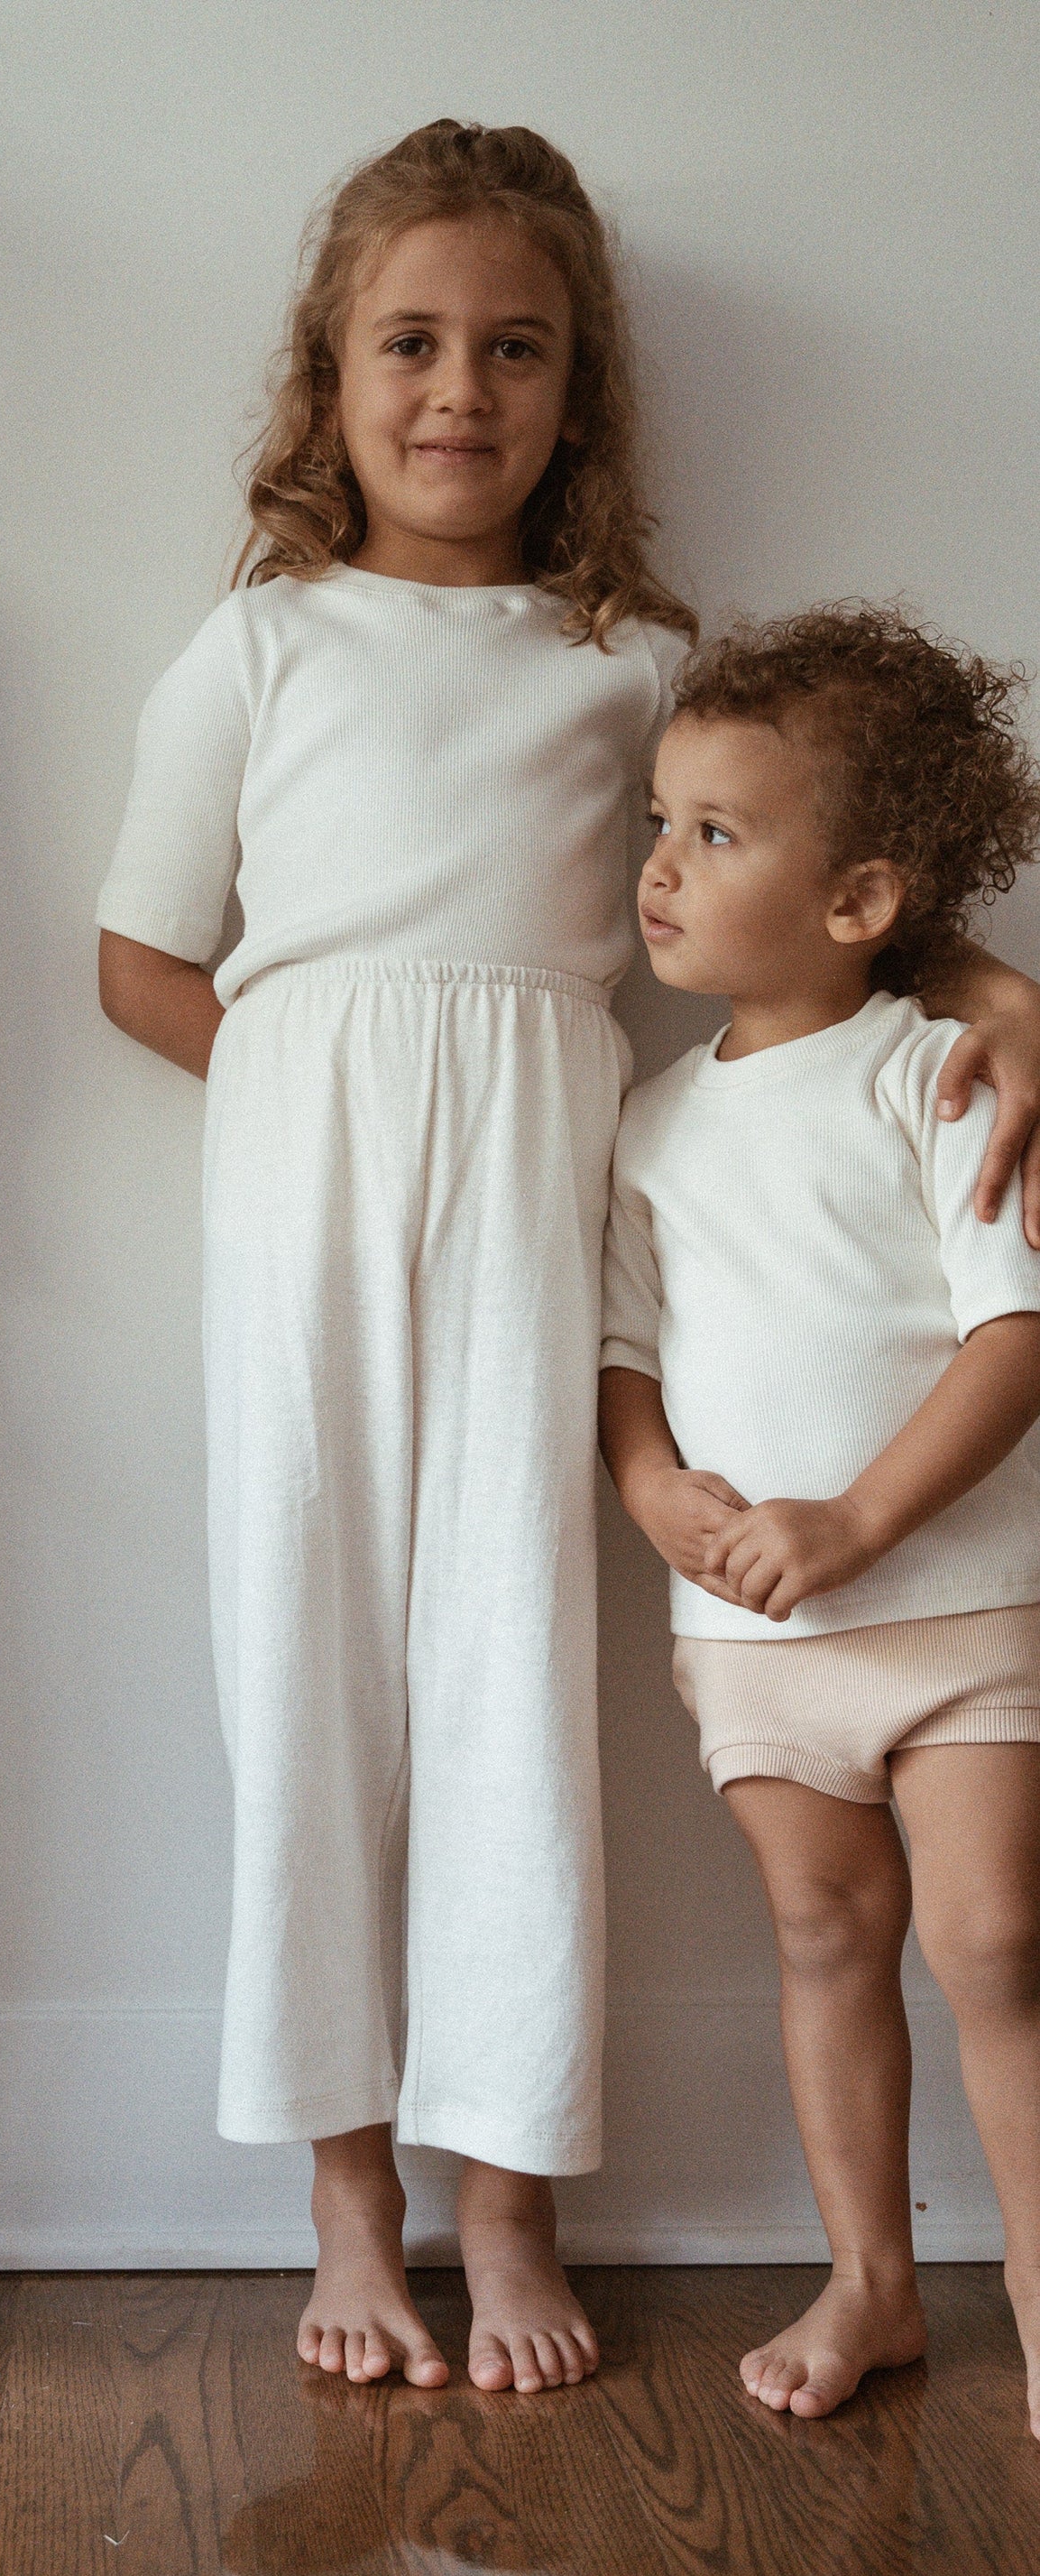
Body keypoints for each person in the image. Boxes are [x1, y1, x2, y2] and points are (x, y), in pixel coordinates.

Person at [97, 121, 1040, 2393]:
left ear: (576, 391)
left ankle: (506, 2196)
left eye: (514, 349)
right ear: (328, 374)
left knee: (512, 1680)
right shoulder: (256, 644)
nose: (458, 390)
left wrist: (1000, 993)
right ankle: (348, 2200)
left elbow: (806, 886)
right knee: (310, 1668)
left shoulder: (627, 661)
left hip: (546, 1184)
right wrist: (322, 1116)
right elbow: (140, 960)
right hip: (306, 1198)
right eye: (408, 342)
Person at [601, 605, 1040, 2434]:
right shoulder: (641, 1121)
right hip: (755, 1635)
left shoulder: (935, 1074)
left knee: (998, 1941)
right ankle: (871, 2278)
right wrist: (650, 1489)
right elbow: (621, 1357)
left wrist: (858, 1519)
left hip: (954, 1605)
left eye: (717, 830)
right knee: (818, 1936)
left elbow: (1013, 1330)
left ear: (860, 896)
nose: (659, 866)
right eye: (657, 819)